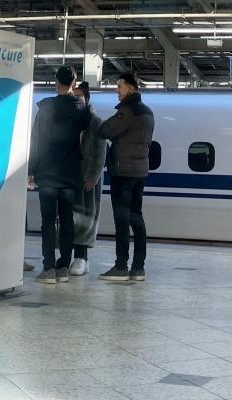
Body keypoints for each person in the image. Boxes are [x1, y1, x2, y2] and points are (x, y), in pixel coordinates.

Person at [27, 65, 90, 283]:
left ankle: (49, 268)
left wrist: (31, 170)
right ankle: (63, 267)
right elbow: (87, 128)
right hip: (69, 174)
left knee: (47, 222)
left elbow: (35, 141)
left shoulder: (45, 106)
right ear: (74, 82)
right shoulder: (80, 106)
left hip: (47, 174)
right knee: (67, 221)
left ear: (56, 82)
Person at [98, 72, 155, 282]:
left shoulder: (128, 111)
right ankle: (138, 268)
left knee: (121, 220)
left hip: (123, 172)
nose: (117, 90)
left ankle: (121, 266)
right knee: (136, 217)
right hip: (140, 172)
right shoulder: (148, 112)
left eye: (119, 86)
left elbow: (105, 130)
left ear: (131, 87)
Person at [69, 81, 104, 276]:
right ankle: (76, 257)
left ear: (87, 98)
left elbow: (100, 153)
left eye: (79, 97)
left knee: (85, 217)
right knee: (72, 217)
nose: (75, 100)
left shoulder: (96, 122)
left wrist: (93, 176)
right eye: (73, 97)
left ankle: (81, 257)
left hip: (88, 179)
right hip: (71, 176)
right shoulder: (70, 121)